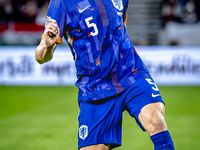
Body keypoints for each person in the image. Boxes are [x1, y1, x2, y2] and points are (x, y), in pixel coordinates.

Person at [35, 0, 175, 149]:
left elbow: (122, 18)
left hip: (130, 72)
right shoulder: (61, 3)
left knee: (155, 120)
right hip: (94, 86)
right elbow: (40, 57)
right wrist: (47, 46)